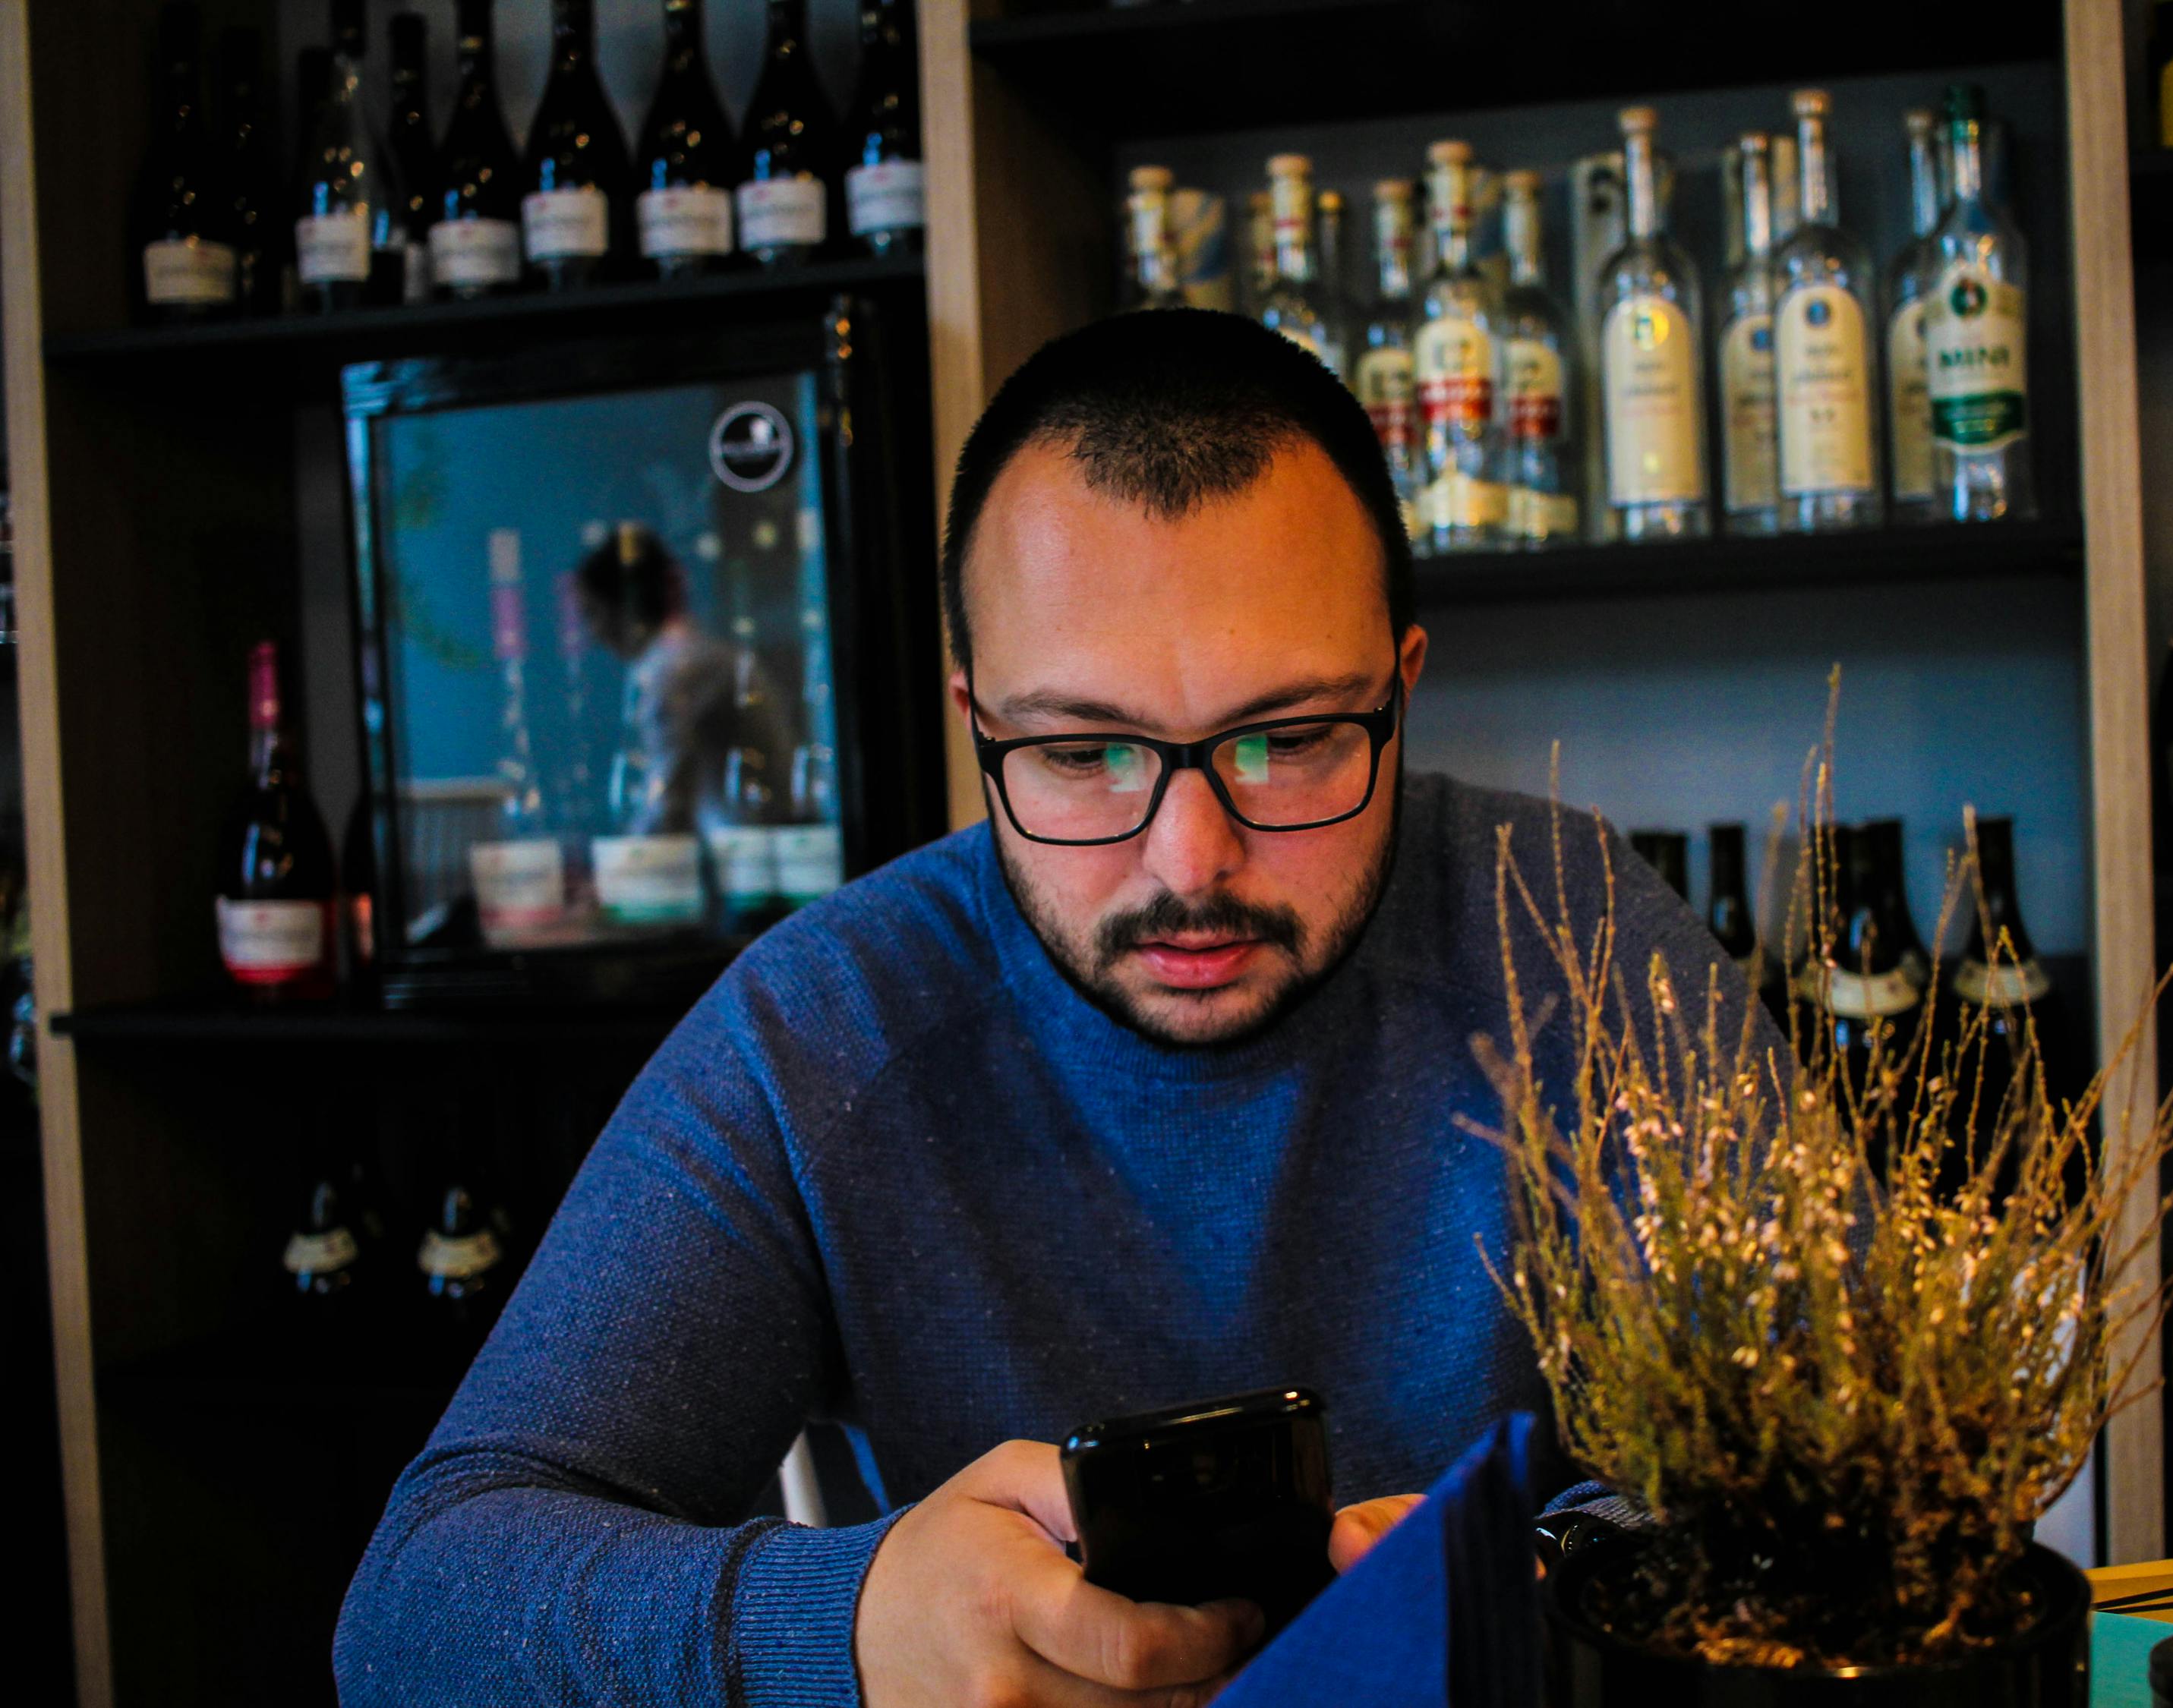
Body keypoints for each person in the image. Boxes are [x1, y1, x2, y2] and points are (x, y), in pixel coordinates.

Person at [336, 310, 1777, 1705]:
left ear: (1400, 685)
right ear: (977, 716)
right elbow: (414, 1613)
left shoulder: (1569, 937)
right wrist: (843, 1624)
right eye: (1083, 753)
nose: (1190, 862)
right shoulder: (828, 1025)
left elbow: (1849, 1451)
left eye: (1287, 739)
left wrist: (1551, 1577)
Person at [575, 522, 792, 835]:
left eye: (593, 613)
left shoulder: (676, 669)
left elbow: (665, 805)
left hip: (745, 851)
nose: (593, 634)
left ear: (620, 606)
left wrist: (621, 861)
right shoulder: (689, 659)